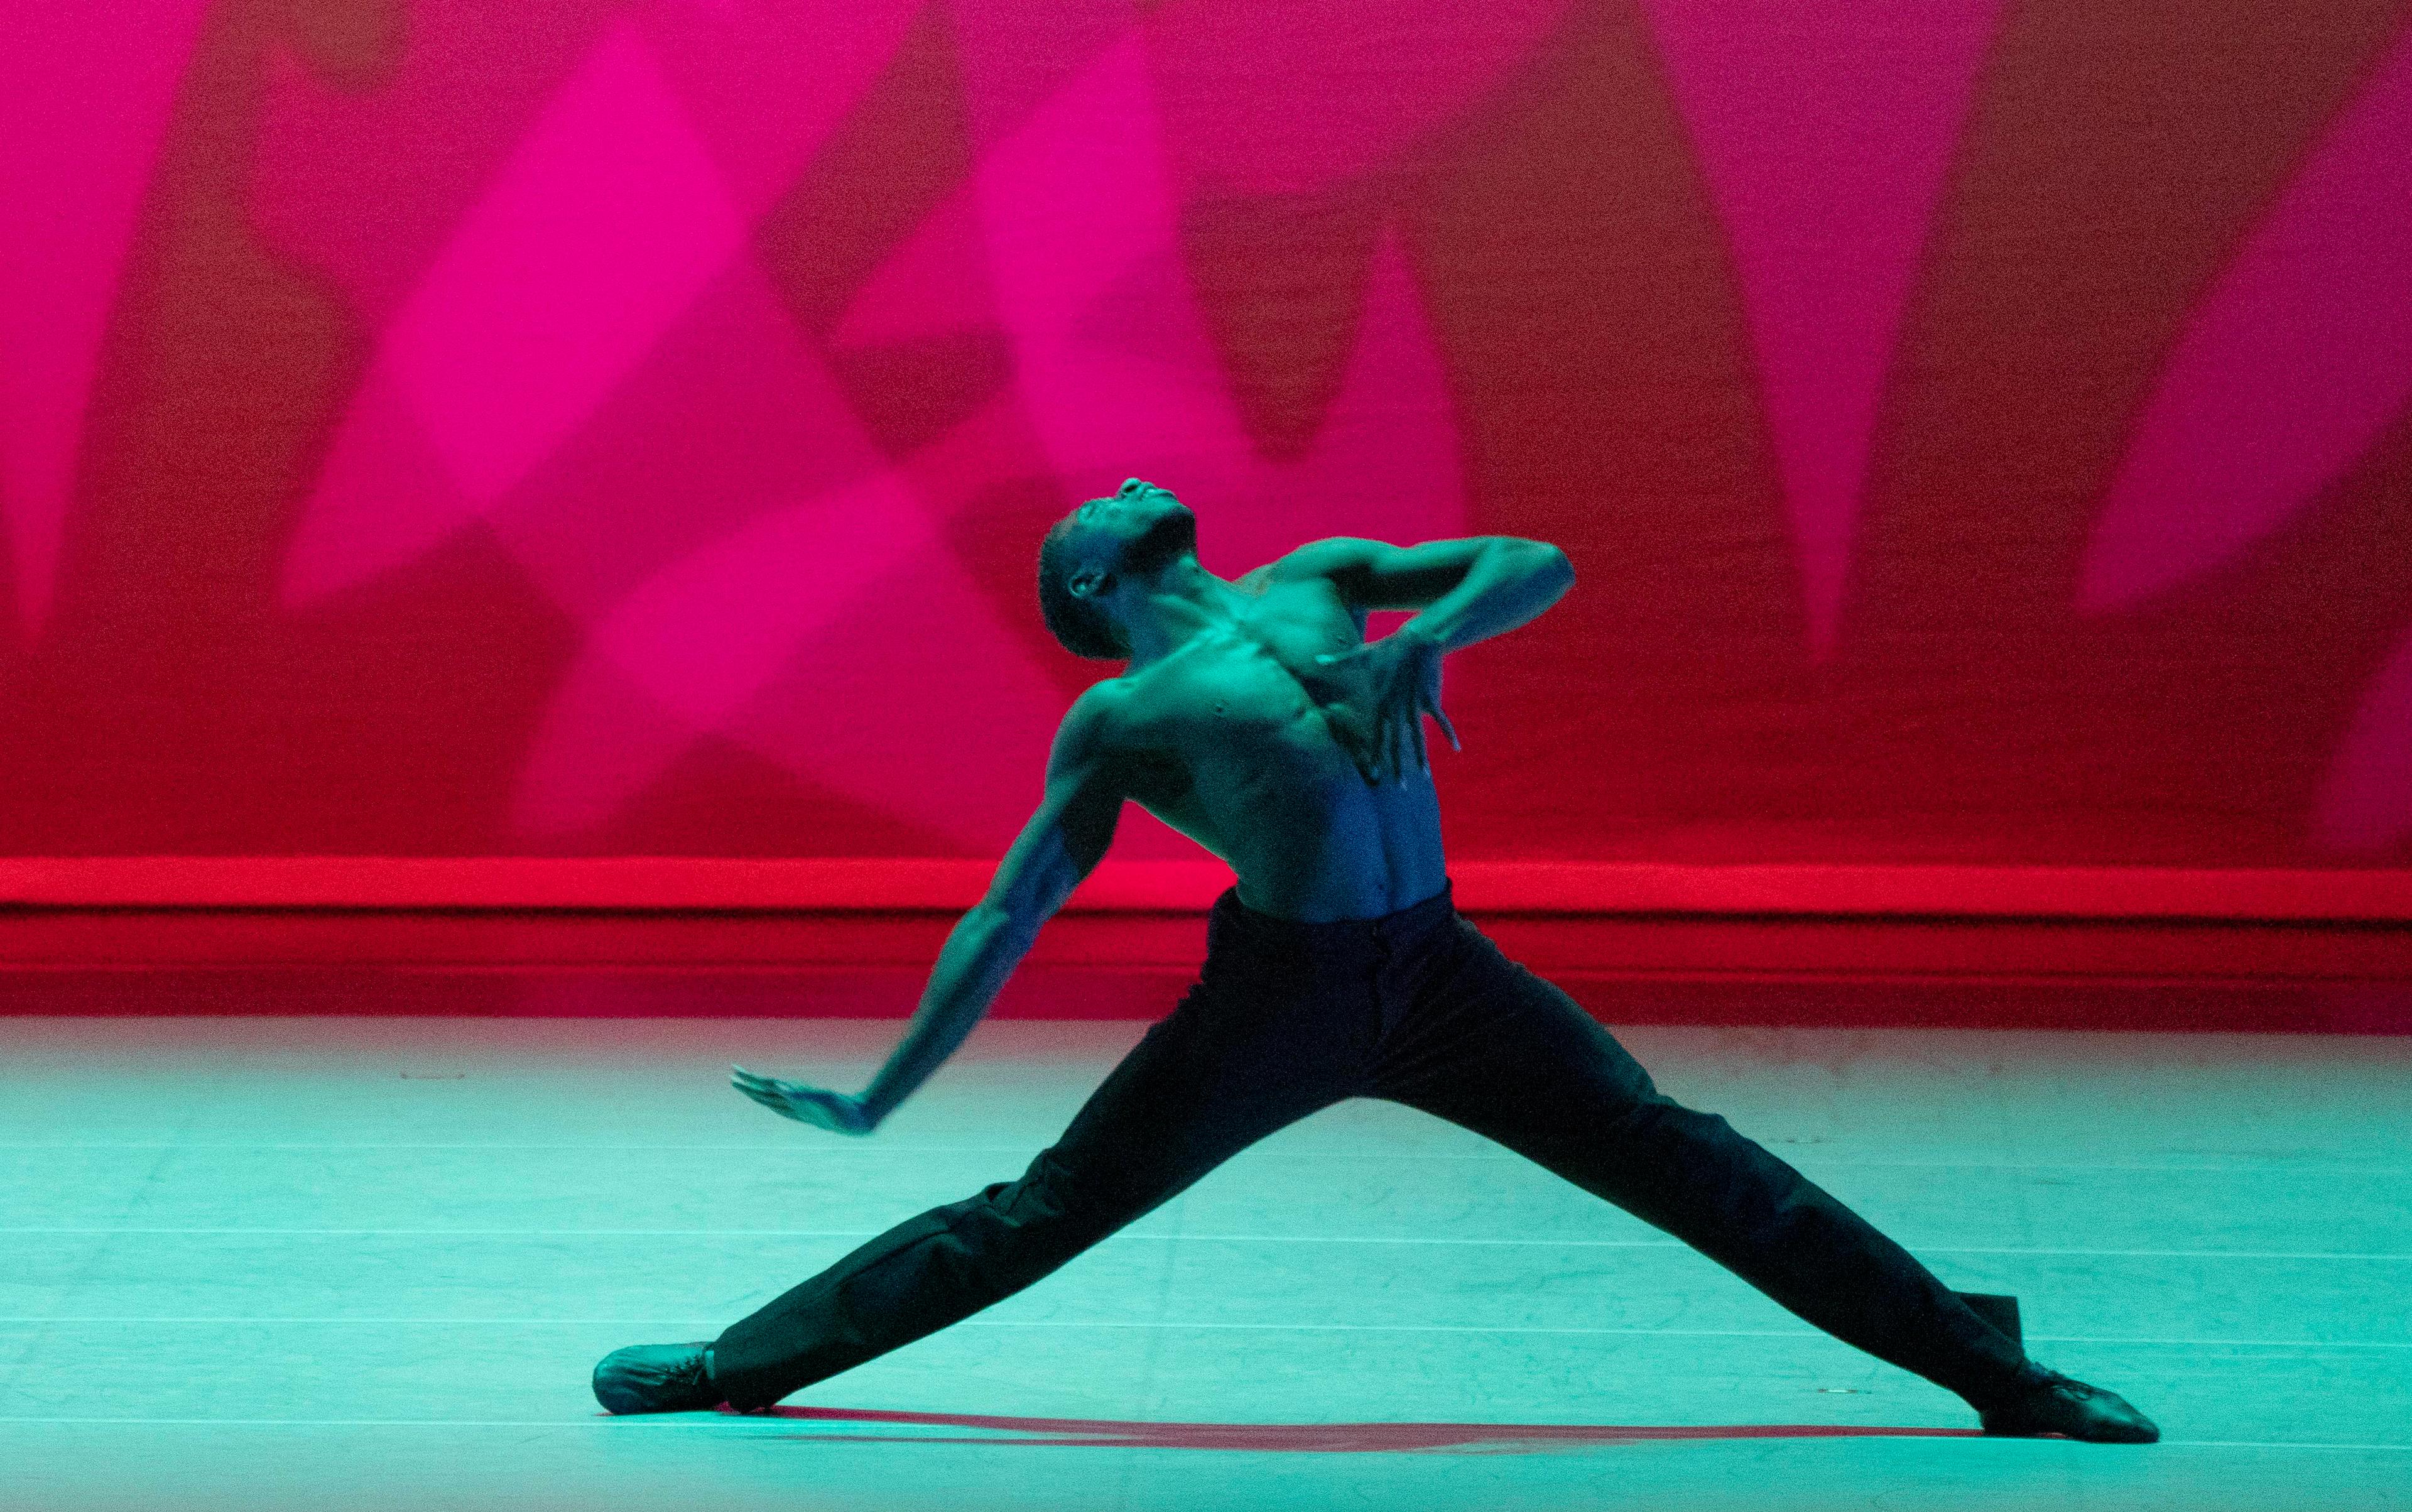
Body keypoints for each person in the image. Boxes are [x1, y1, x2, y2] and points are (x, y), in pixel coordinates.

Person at [592, 478, 2157, 1443]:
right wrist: (880, 1095)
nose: (1123, 482)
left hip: (1440, 972)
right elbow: (1010, 910)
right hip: (1281, 999)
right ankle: (736, 1362)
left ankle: (2001, 1377)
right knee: (1044, 1212)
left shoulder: (1326, 580)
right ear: (1091, 587)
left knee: (1694, 1160)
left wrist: (1426, 638)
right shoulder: (1126, 716)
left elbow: (1538, 556)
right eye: (1093, 509)